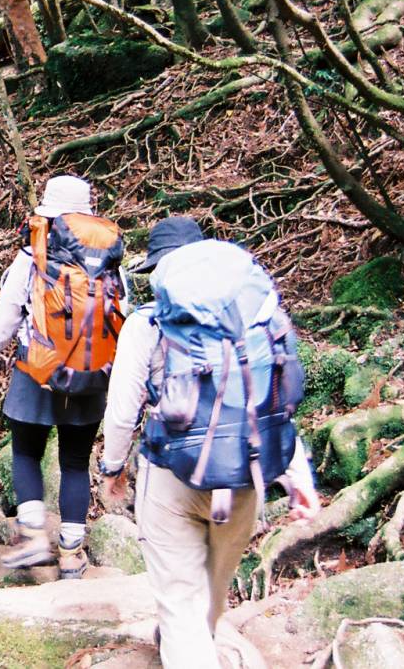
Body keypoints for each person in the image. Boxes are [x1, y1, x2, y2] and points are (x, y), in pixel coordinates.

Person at [98, 216, 320, 668]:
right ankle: (198, 645)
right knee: (212, 597)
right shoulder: (255, 314)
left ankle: (187, 650)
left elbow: (123, 410)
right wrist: (298, 477)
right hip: (246, 472)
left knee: (180, 604)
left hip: (172, 476)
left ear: (159, 269)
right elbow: (273, 399)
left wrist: (112, 468)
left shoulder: (149, 323)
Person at [0, 175, 125, 578]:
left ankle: (35, 537)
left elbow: (8, 310)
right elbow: (123, 315)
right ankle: (72, 553)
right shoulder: (109, 257)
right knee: (75, 462)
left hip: (36, 370)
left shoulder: (35, 251)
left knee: (26, 453)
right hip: (92, 374)